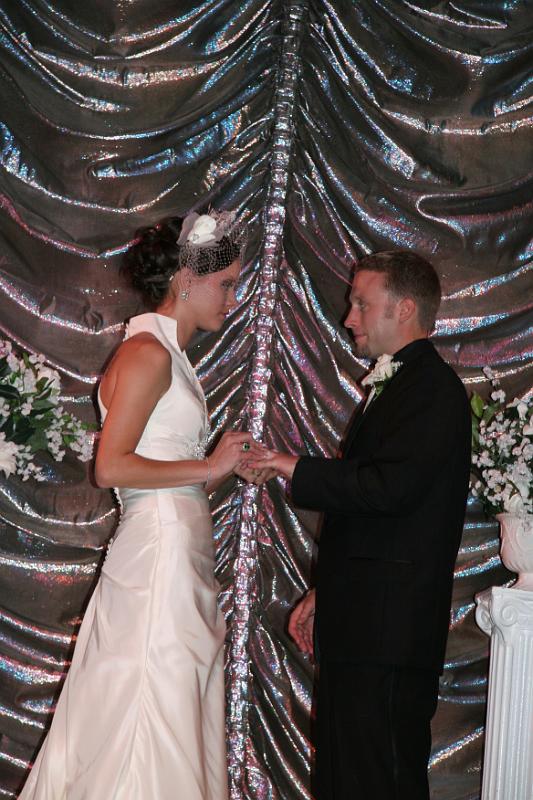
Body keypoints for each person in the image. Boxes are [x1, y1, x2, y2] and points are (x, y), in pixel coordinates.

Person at [19, 210, 266, 800]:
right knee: (150, 705)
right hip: (158, 561)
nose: (233, 298)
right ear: (187, 278)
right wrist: (208, 467)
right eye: (227, 284)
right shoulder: (148, 354)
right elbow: (111, 467)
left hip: (176, 555)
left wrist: (218, 469)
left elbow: (158, 475)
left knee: (166, 701)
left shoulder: (168, 354)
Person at [247, 251, 471, 799]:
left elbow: (387, 488)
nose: (348, 317)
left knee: (379, 783)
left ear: (405, 309)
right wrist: (326, 590)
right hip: (366, 628)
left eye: (361, 304)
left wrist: (290, 465)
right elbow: (380, 519)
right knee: (347, 781)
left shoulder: (433, 390)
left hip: (388, 637)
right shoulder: (403, 385)